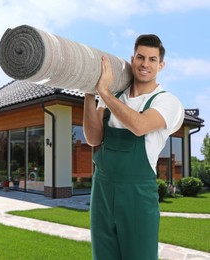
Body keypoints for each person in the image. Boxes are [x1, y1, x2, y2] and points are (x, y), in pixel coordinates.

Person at [83, 34, 184, 260]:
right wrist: (89, 93)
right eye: (140, 57)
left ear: (161, 65)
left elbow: (139, 126)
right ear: (133, 58)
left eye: (152, 59)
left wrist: (104, 93)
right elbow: (93, 138)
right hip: (102, 190)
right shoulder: (114, 97)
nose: (145, 64)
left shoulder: (166, 102)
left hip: (137, 195)